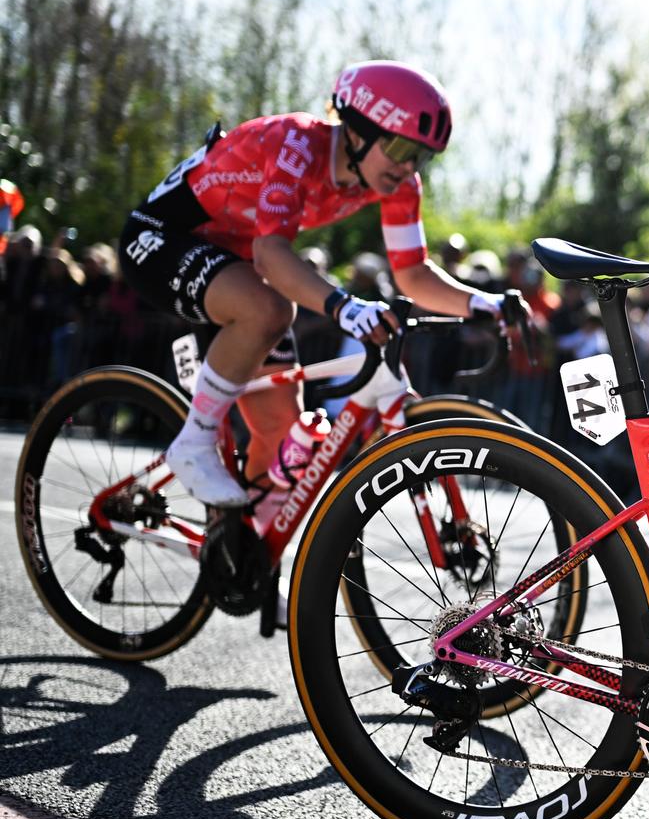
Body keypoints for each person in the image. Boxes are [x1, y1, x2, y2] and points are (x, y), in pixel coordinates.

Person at [118, 61, 517, 507]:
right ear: (360, 129)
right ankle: (193, 443)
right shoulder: (295, 144)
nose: (409, 168)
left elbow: (413, 273)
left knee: (285, 444)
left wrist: (479, 303)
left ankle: (236, 553)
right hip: (162, 237)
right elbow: (272, 255)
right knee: (269, 310)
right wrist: (345, 307)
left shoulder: (395, 183)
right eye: (404, 148)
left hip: (234, 262)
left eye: (421, 157)